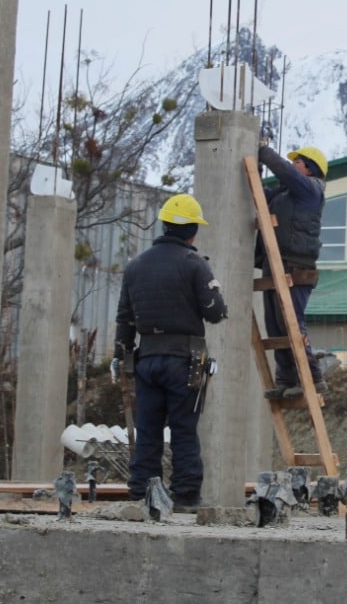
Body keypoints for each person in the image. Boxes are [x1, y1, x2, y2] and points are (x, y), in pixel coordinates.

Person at [113, 194, 227, 511]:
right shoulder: (194, 265)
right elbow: (216, 312)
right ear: (193, 231)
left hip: (146, 359)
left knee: (148, 429)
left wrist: (121, 357)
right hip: (184, 362)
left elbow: (125, 318)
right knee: (183, 429)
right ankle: (186, 496)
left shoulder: (136, 266)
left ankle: (141, 493)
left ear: (164, 225)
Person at [257, 144, 328, 400]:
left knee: (291, 324)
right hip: (275, 261)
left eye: (298, 161)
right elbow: (262, 196)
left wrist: (264, 153)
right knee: (275, 325)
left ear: (309, 168)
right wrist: (254, 170)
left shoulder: (310, 190)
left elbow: (286, 173)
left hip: (295, 265)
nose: (294, 165)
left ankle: (311, 377)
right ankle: (285, 380)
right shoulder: (285, 194)